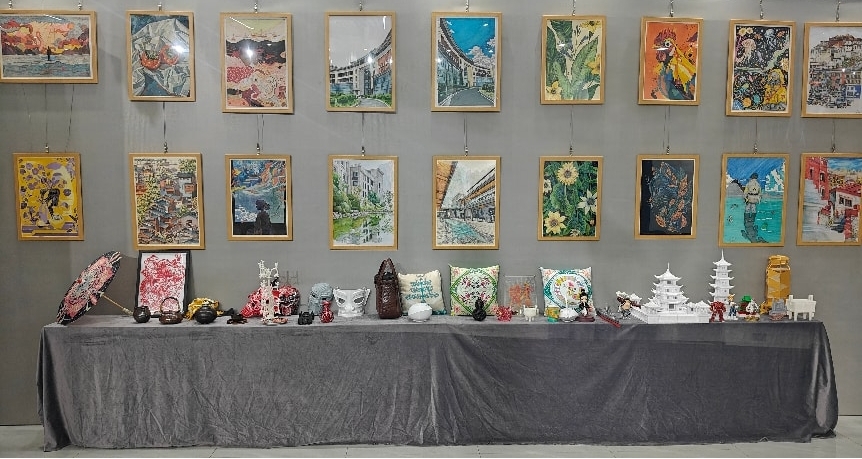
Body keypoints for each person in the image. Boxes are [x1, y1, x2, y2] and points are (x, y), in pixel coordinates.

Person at [732, 172, 766, 243]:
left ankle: (747, 219)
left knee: (747, 209)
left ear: (751, 178)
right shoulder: (758, 184)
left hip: (750, 197)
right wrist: (759, 198)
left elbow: (745, 192)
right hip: (755, 198)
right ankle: (752, 219)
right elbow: (760, 193)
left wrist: (745, 198)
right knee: (753, 208)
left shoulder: (749, 184)